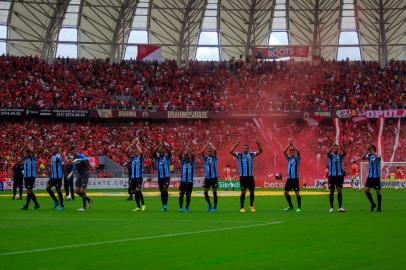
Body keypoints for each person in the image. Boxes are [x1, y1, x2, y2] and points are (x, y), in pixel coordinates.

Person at [230, 140, 263, 212]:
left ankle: (251, 206)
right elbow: (231, 152)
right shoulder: (239, 155)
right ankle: (242, 207)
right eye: (244, 148)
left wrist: (258, 143)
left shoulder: (251, 154)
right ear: (242, 149)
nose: (245, 149)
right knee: (243, 192)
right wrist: (236, 144)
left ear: (248, 149)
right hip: (243, 177)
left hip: (250, 177)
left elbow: (260, 151)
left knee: (252, 192)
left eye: (246, 148)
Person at [70, 146, 93, 211]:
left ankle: (84, 207)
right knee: (76, 191)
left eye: (72, 151)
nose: (71, 153)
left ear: (74, 150)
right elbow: (75, 166)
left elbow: (86, 159)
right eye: (70, 151)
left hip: (84, 174)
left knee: (82, 191)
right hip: (79, 174)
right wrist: (71, 173)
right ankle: (89, 199)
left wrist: (80, 160)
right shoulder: (74, 158)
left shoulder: (81, 155)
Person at [152, 140, 172, 211]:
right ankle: (163, 205)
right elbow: (153, 152)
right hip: (160, 177)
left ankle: (165, 205)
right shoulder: (157, 159)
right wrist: (159, 145)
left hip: (166, 177)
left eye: (162, 152)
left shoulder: (167, 158)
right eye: (160, 152)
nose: (161, 153)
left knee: (165, 189)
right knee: (162, 191)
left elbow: (170, 152)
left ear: (164, 153)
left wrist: (164, 145)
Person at [283, 139, 302, 213]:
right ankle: (290, 206)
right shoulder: (289, 158)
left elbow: (299, 152)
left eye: (293, 152)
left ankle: (299, 207)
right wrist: (289, 145)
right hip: (289, 179)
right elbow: (284, 152)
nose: (292, 153)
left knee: (297, 193)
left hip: (295, 179)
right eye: (291, 152)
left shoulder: (297, 159)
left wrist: (293, 145)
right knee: (285, 192)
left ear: (295, 153)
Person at [127, 139, 146, 212]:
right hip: (133, 178)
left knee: (138, 190)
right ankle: (138, 206)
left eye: (135, 151)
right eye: (133, 151)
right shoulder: (132, 158)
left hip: (139, 177)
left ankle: (143, 204)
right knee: (135, 192)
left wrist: (137, 145)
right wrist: (131, 144)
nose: (134, 152)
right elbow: (126, 151)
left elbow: (141, 152)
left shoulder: (140, 158)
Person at [362, 145, 382, 212]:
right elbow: (363, 158)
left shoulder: (378, 154)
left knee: (378, 192)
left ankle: (379, 207)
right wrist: (366, 151)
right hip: (370, 176)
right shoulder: (369, 155)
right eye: (370, 149)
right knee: (366, 190)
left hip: (376, 176)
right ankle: (373, 204)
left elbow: (378, 158)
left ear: (373, 149)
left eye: (371, 148)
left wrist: (372, 152)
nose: (370, 150)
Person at [327, 144, 346, 213]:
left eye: (336, 148)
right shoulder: (331, 156)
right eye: (334, 148)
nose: (335, 149)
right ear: (332, 149)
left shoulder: (340, 155)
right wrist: (331, 147)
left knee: (339, 191)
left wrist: (342, 147)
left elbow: (345, 153)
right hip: (331, 176)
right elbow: (327, 153)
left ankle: (340, 207)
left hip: (339, 176)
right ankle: (331, 207)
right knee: (331, 191)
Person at [21, 144, 40, 210]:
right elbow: (20, 152)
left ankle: (34, 204)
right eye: (27, 152)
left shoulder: (33, 158)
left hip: (31, 176)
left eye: (28, 152)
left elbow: (33, 152)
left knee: (29, 191)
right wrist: (24, 146)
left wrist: (28, 145)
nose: (27, 153)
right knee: (29, 191)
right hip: (26, 176)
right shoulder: (25, 158)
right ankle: (28, 205)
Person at [201, 142, 219, 212]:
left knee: (214, 192)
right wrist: (206, 145)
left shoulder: (214, 158)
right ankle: (209, 205)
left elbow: (215, 151)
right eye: (208, 151)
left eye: (210, 151)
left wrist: (211, 145)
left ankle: (215, 207)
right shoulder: (205, 158)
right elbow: (201, 152)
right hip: (207, 178)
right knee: (205, 192)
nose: (209, 152)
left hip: (214, 178)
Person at [178, 145, 194, 212]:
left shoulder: (191, 163)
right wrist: (182, 148)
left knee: (188, 196)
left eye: (187, 156)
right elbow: (179, 155)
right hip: (183, 182)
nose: (186, 157)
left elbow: (193, 156)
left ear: (189, 157)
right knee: (181, 195)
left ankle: (187, 207)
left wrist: (189, 149)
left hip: (189, 182)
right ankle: (181, 208)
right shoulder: (182, 162)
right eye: (185, 156)